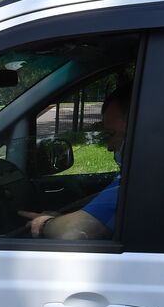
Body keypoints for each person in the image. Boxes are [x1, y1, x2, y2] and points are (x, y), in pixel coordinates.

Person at [20, 80, 132, 240]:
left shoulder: (140, 181)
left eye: (112, 134)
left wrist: (44, 224)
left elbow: (76, 231)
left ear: (139, 127)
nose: (110, 146)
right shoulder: (137, 179)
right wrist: (59, 220)